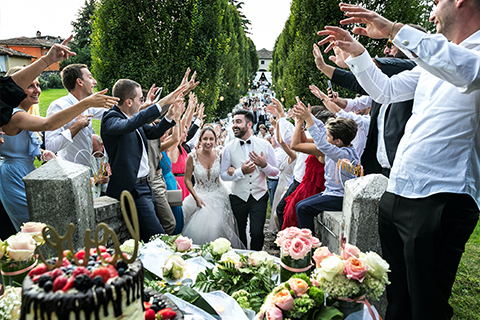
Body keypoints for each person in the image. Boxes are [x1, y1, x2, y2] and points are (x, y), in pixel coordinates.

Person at [316, 2, 480, 319]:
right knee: (398, 302)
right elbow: (386, 90)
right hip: (398, 192)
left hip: (441, 197)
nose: (431, 12)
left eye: (436, 2)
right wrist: (358, 54)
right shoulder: (434, 60)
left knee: (425, 307)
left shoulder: (467, 57)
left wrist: (394, 29)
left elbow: (465, 71)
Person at [0, 68, 117, 231]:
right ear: (16, 88)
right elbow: (49, 124)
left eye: (38, 84)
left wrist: (41, 153)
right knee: (33, 228)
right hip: (13, 176)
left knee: (41, 226)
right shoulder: (15, 115)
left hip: (28, 172)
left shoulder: (24, 114)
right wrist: (85, 105)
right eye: (30, 85)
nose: (37, 90)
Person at [101, 78, 187, 242]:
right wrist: (160, 104)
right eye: (140, 99)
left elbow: (154, 132)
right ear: (128, 101)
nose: (142, 103)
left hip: (146, 185)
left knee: (148, 237)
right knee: (157, 236)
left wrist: (169, 116)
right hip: (132, 189)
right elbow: (128, 126)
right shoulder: (110, 118)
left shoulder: (132, 118)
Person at [293, 98, 359, 233]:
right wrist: (308, 115)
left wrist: (309, 120)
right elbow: (323, 130)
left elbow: (322, 144)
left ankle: (309, 245)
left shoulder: (343, 154)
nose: (325, 138)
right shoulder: (340, 147)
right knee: (299, 205)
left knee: (302, 208)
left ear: (338, 141)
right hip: (330, 193)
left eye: (328, 137)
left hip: (339, 197)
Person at [220, 109, 278, 250]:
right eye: (233, 122)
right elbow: (223, 175)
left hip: (259, 195)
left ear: (249, 124)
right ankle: (242, 262)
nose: (234, 125)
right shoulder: (228, 148)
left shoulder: (265, 145)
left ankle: (256, 261)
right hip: (238, 196)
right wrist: (241, 171)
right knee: (240, 233)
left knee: (257, 233)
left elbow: (275, 173)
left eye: (238, 122)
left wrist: (264, 165)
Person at [182, 127, 244, 247]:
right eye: (205, 139)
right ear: (200, 140)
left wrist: (232, 168)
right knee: (199, 227)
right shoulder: (192, 157)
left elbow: (230, 168)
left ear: (215, 140)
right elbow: (187, 180)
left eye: (211, 139)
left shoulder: (220, 155)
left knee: (216, 226)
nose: (208, 142)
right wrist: (196, 198)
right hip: (199, 195)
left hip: (219, 194)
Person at [45, 64, 107, 166]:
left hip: (88, 169)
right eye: (90, 77)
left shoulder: (89, 104)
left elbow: (110, 113)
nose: (95, 82)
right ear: (80, 82)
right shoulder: (58, 106)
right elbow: (51, 146)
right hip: (68, 170)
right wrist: (76, 126)